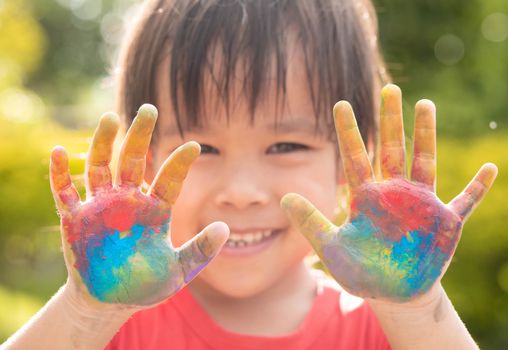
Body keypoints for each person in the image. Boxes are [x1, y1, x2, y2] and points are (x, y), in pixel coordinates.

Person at [1, 0, 497, 349]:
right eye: (203, 148)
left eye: (286, 145)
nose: (241, 192)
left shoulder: (389, 331)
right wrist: (86, 313)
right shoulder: (110, 322)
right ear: (145, 162)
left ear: (354, 161)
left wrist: (415, 309)